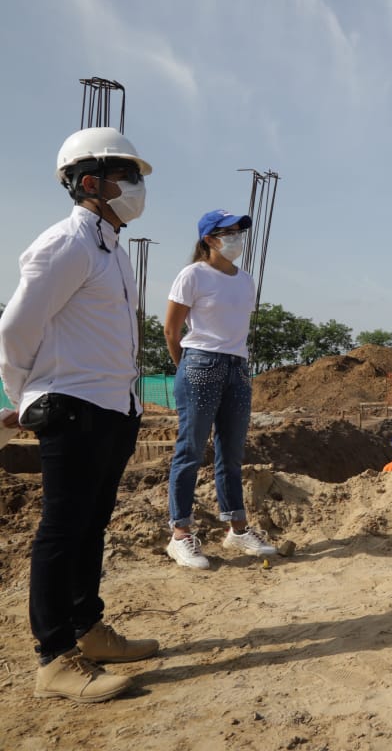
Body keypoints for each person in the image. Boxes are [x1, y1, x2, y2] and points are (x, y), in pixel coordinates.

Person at [0, 127, 159, 702]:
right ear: (89, 182)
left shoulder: (109, 250)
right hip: (69, 405)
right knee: (61, 531)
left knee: (91, 526)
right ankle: (53, 659)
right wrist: (25, 397)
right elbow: (15, 328)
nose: (137, 187)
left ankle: (88, 630)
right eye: (127, 175)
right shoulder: (65, 244)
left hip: (112, 407)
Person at [164, 209, 276, 570]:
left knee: (231, 453)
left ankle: (237, 529)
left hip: (238, 367)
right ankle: (180, 534)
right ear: (209, 239)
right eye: (228, 232)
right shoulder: (192, 275)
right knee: (191, 450)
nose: (237, 238)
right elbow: (171, 331)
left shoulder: (245, 280)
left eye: (240, 232)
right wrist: (188, 368)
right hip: (200, 363)